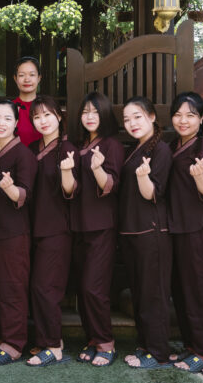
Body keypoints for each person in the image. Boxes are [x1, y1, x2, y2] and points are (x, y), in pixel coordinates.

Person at [166, 91, 203, 373]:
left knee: (200, 289)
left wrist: (200, 178)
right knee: (183, 289)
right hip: (177, 226)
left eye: (190, 115)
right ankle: (191, 346)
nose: (183, 120)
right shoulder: (172, 145)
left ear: (201, 119)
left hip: (199, 228)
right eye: (178, 115)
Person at [119, 96, 173, 369]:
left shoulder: (160, 150)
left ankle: (158, 352)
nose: (132, 123)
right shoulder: (134, 148)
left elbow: (152, 193)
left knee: (154, 294)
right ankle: (145, 346)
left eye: (137, 117)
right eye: (127, 119)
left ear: (152, 116)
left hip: (151, 231)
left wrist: (142, 176)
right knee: (140, 293)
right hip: (132, 231)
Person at [0, 100, 37, 366]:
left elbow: (24, 194)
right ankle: (2, 338)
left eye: (7, 118)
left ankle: (14, 344)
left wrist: (9, 188)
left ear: (16, 123)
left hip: (13, 232)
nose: (1, 123)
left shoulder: (23, 155)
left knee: (12, 288)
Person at [26, 96, 77, 367]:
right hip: (33, 228)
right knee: (38, 287)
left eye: (47, 115)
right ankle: (46, 339)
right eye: (37, 117)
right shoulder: (32, 148)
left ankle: (54, 345)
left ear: (59, 116)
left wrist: (67, 172)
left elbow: (70, 190)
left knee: (47, 287)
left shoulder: (67, 149)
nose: (42, 121)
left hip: (57, 228)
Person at [73, 92, 123, 367]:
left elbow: (111, 184)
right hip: (79, 225)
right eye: (85, 112)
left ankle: (106, 342)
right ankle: (92, 339)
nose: (90, 116)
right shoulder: (80, 144)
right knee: (83, 288)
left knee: (95, 287)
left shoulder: (111, 144)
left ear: (104, 114)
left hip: (102, 225)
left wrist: (97, 169)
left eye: (95, 111)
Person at [11, 57, 42, 147]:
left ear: (39, 78)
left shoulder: (46, 107)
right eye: (21, 75)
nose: (27, 79)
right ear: (15, 78)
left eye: (32, 75)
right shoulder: (9, 108)